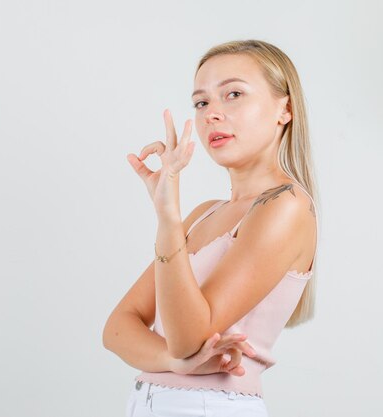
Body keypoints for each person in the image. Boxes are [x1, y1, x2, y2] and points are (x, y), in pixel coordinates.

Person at [103, 39, 320, 417]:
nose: (211, 115)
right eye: (202, 102)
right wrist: (177, 363)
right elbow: (117, 329)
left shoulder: (286, 206)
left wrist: (168, 219)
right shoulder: (206, 213)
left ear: (284, 108)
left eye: (233, 94)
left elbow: (188, 338)